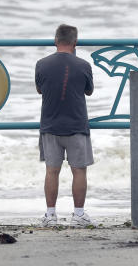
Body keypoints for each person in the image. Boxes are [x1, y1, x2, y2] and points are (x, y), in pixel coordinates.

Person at [35, 23, 95, 226]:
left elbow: (39, 90)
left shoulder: (41, 64)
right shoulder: (84, 65)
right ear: (75, 42)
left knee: (52, 171)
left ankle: (50, 215)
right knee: (79, 170)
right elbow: (89, 91)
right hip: (77, 125)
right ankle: (78, 215)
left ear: (55, 41)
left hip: (50, 124)